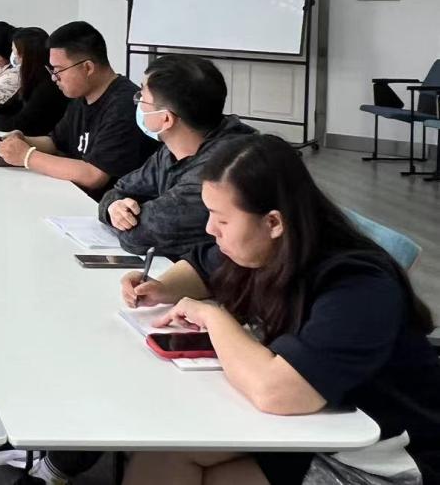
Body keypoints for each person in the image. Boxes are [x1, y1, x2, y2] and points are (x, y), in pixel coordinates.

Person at [121, 134, 440, 485]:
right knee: (166, 452)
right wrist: (163, 287)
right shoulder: (268, 246)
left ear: (273, 222)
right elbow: (202, 266)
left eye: (222, 220)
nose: (211, 230)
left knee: (187, 460)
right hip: (313, 426)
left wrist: (213, 317)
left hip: (379, 457)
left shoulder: (357, 287)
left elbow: (278, 393)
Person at [98, 54, 256, 258]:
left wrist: (125, 218)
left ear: (165, 119)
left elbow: (138, 237)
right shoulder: (172, 150)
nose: (137, 103)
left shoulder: (221, 171)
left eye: (142, 98)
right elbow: (119, 190)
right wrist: (114, 208)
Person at [0, 21, 158, 197]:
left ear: (87, 67)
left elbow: (94, 175)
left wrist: (27, 156)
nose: (54, 78)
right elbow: (56, 142)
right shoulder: (82, 96)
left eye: (58, 70)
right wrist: (24, 140)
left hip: (107, 206)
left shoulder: (124, 105)